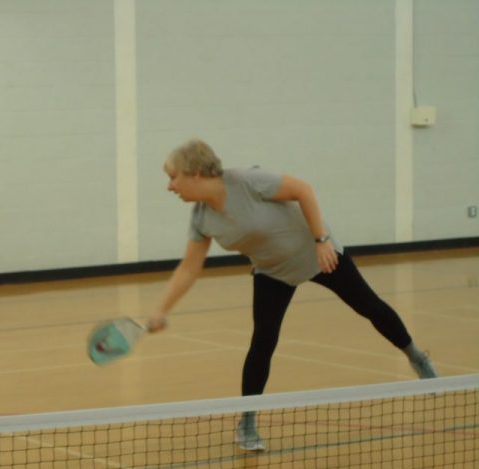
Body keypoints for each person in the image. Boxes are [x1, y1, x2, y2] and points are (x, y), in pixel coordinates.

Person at [147, 139, 437, 452]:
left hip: (318, 254)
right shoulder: (201, 218)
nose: (170, 187)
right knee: (263, 341)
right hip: (273, 271)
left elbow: (303, 190)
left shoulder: (246, 181)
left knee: (370, 306)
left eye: (173, 177)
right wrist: (161, 309)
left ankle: (416, 356)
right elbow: (189, 268)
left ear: (196, 173)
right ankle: (247, 421)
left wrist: (321, 240)